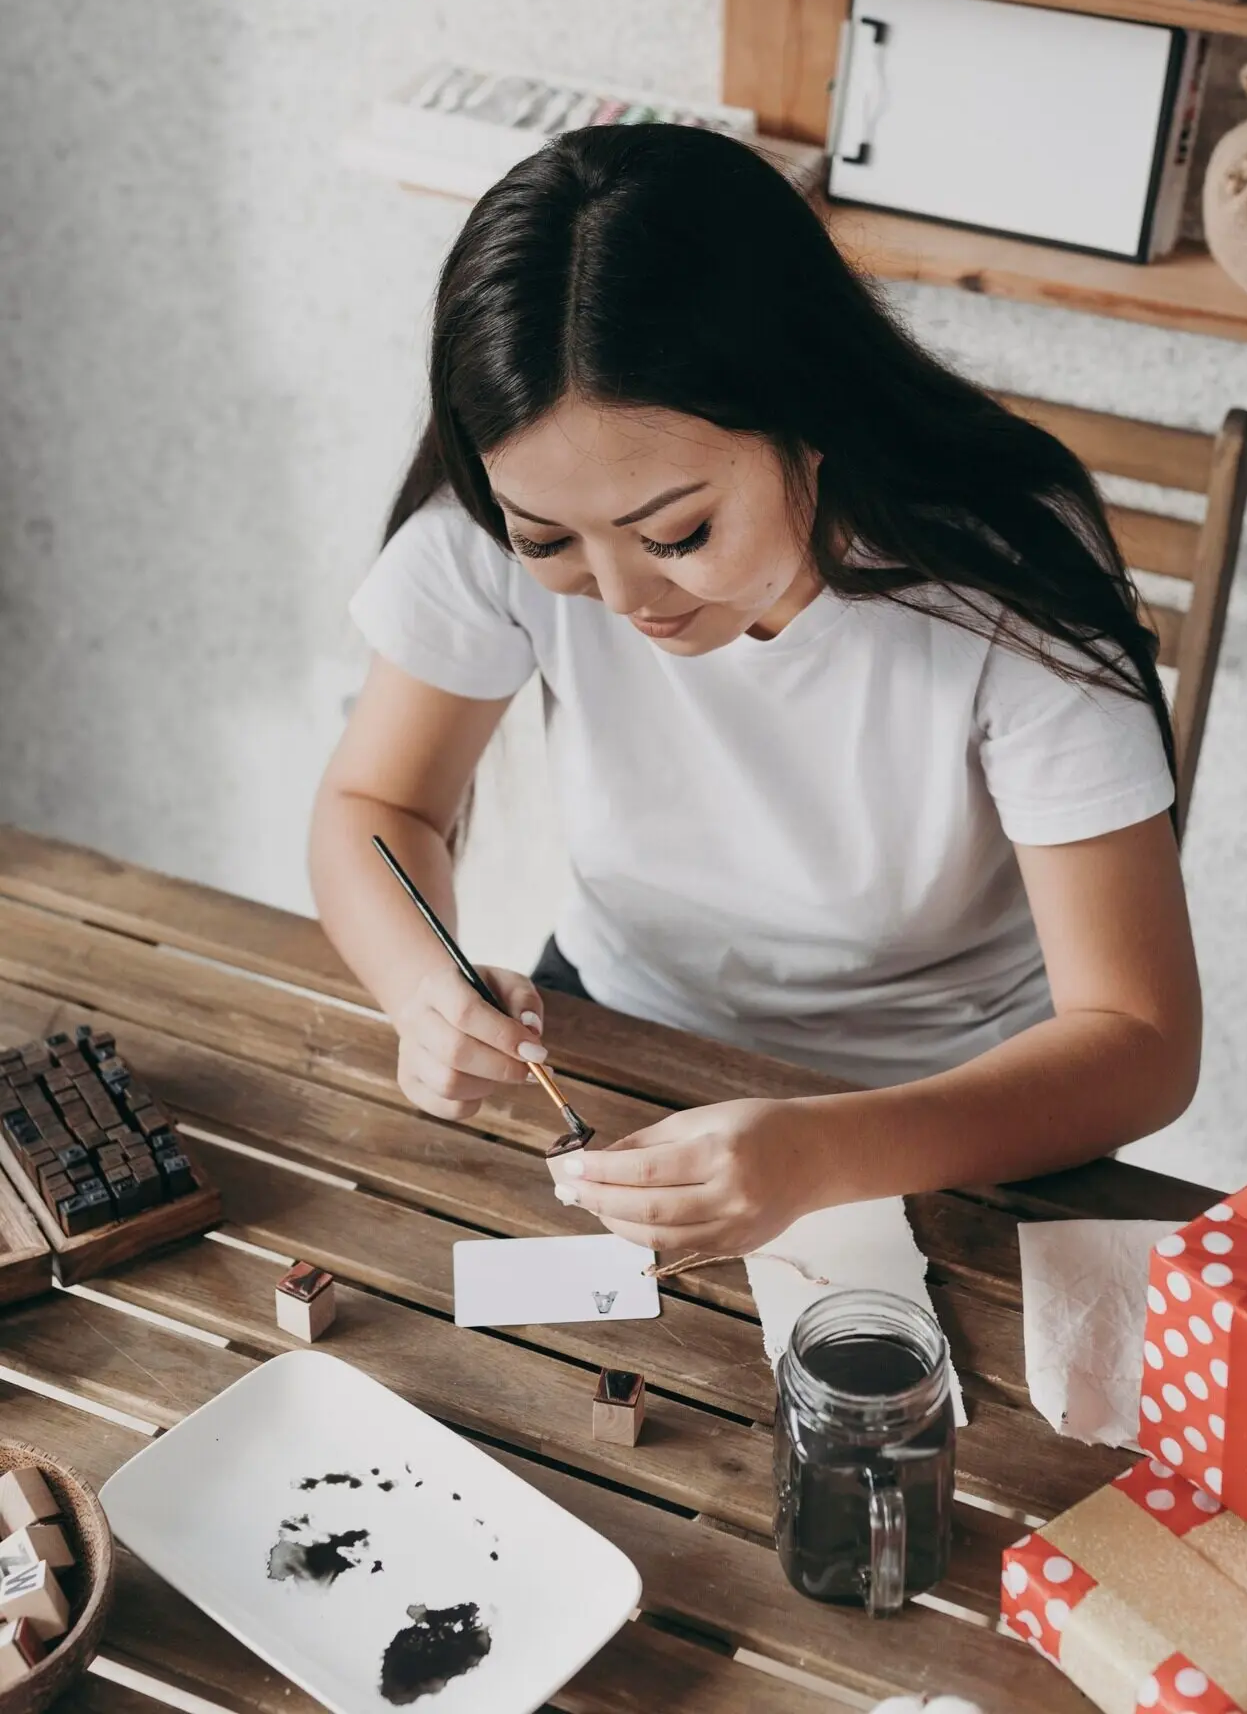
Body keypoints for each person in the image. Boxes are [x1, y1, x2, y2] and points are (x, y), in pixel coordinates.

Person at [309, 125, 1200, 1263]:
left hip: (952, 1105)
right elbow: (375, 804)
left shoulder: (1000, 584)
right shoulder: (492, 534)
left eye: (676, 532)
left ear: (809, 418)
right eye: (548, 539)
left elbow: (1139, 1039)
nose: (621, 593)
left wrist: (819, 1152)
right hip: (621, 1033)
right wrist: (419, 985)